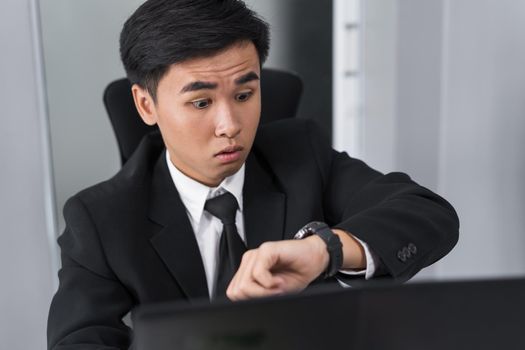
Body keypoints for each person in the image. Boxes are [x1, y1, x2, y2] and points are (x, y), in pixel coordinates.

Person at [47, 0, 459, 349]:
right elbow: (79, 340)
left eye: (244, 95)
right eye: (201, 102)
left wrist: (324, 250)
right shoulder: (100, 219)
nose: (230, 124)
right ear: (146, 106)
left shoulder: (302, 155)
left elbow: (426, 212)